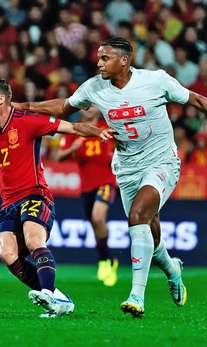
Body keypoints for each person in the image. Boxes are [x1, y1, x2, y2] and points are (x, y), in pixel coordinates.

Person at [14, 37, 207, 318]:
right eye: (99, 57)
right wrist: (23, 107)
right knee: (149, 227)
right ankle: (171, 268)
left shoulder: (156, 81)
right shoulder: (95, 87)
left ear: (124, 60)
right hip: (127, 168)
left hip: (162, 162)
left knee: (138, 217)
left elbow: (199, 101)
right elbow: (63, 107)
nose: (98, 63)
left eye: (105, 58)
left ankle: (136, 297)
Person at [0, 76, 113, 318]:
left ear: (0, 99)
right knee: (6, 253)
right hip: (9, 203)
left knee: (33, 240)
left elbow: (71, 127)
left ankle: (48, 293)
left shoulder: (28, 122)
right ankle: (58, 298)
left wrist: (97, 133)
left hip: (35, 195)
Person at [57, 107, 119, 287]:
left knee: (98, 217)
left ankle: (104, 262)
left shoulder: (106, 128)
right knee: (95, 226)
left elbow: (125, 147)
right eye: (85, 106)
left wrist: (115, 155)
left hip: (106, 182)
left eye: (92, 105)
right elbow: (58, 156)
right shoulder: (74, 130)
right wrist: (72, 149)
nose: (89, 109)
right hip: (86, 188)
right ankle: (106, 259)